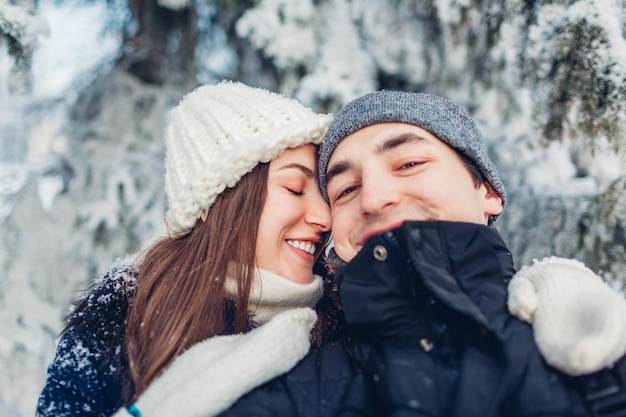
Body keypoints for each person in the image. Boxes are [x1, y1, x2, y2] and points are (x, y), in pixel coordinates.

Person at [36, 81, 355, 417]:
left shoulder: (349, 319)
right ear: (212, 202)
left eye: (323, 193)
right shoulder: (121, 316)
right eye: (294, 188)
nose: (324, 216)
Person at [316, 90, 626, 416]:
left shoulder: (600, 347)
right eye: (347, 190)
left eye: (409, 164)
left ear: (488, 192)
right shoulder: (294, 390)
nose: (373, 199)